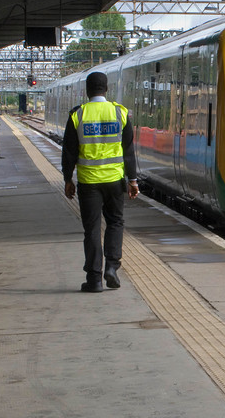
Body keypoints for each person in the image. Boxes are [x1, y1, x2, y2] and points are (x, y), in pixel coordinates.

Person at [62, 71, 139, 292]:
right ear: (107, 89)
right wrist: (132, 180)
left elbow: (69, 152)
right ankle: (112, 267)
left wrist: (68, 179)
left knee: (92, 229)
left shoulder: (78, 115)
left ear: (87, 91)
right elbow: (128, 152)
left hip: (88, 182)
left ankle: (94, 279)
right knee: (115, 222)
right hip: (115, 181)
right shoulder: (120, 113)